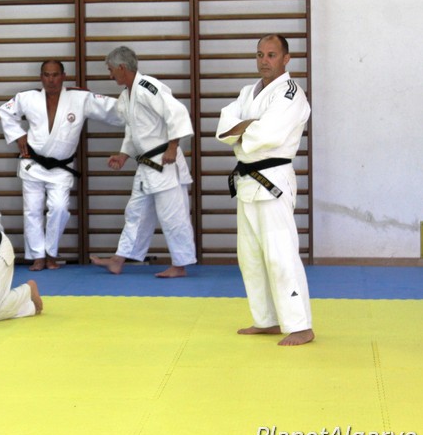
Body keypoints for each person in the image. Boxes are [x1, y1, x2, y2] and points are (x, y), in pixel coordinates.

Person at [216, 34, 314, 346]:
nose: (264, 60)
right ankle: (267, 319)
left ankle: (300, 325)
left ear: (286, 58)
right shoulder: (249, 92)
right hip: (247, 182)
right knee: (250, 256)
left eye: (271, 55)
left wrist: (243, 129)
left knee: (280, 255)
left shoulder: (291, 93)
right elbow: (224, 126)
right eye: (260, 54)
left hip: (273, 180)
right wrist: (246, 126)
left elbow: (269, 133)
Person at [0, 60, 124, 270]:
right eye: (47, 75)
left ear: (63, 76)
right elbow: (5, 111)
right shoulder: (27, 98)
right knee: (32, 211)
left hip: (61, 168)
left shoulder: (80, 98)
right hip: (32, 165)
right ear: (41, 77)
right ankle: (38, 256)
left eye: (55, 75)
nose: (51, 80)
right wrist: (18, 135)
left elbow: (112, 109)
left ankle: (51, 252)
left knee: (59, 208)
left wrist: (137, 105)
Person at [90, 46, 197, 278]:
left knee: (173, 217)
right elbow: (133, 131)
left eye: (111, 70)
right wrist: (123, 155)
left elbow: (177, 112)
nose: (110, 75)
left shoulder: (148, 87)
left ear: (122, 67)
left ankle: (180, 265)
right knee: (135, 213)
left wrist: (173, 146)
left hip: (164, 163)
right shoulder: (126, 96)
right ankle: (118, 260)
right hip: (146, 166)